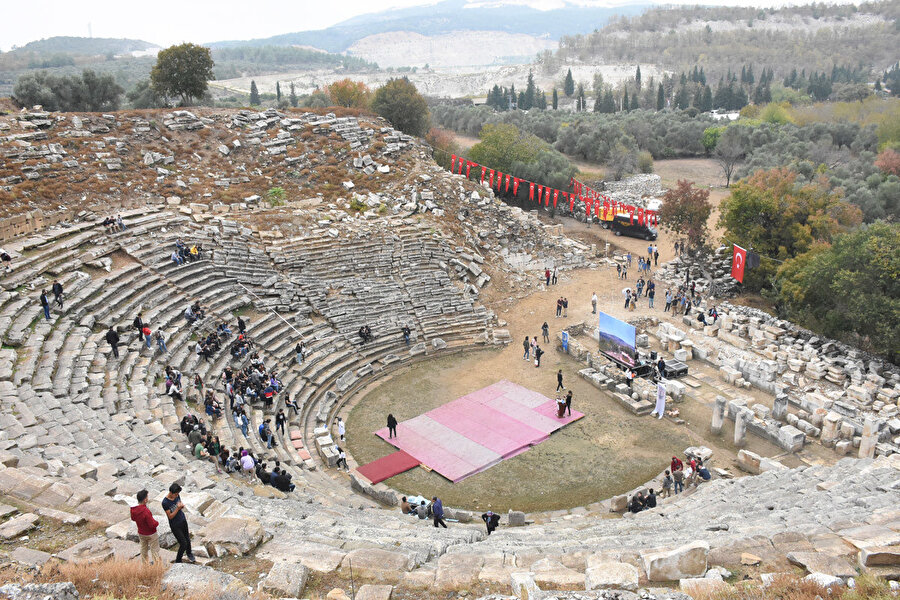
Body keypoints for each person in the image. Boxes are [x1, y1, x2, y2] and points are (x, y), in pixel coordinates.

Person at [162, 483, 196, 564]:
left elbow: (179, 503)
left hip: (182, 520)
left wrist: (181, 506)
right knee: (183, 543)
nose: (177, 495)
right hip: (175, 525)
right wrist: (177, 508)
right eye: (176, 494)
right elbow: (170, 516)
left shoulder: (177, 496)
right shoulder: (165, 502)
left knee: (187, 538)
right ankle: (178, 560)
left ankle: (189, 553)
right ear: (171, 493)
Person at [131, 489, 161, 565]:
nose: (148, 498)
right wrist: (157, 523)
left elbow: (133, 518)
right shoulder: (145, 511)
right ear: (145, 500)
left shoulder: (133, 509)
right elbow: (152, 524)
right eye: (147, 497)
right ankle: (157, 565)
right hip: (151, 534)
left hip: (141, 533)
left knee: (143, 549)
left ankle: (145, 564)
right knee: (154, 549)